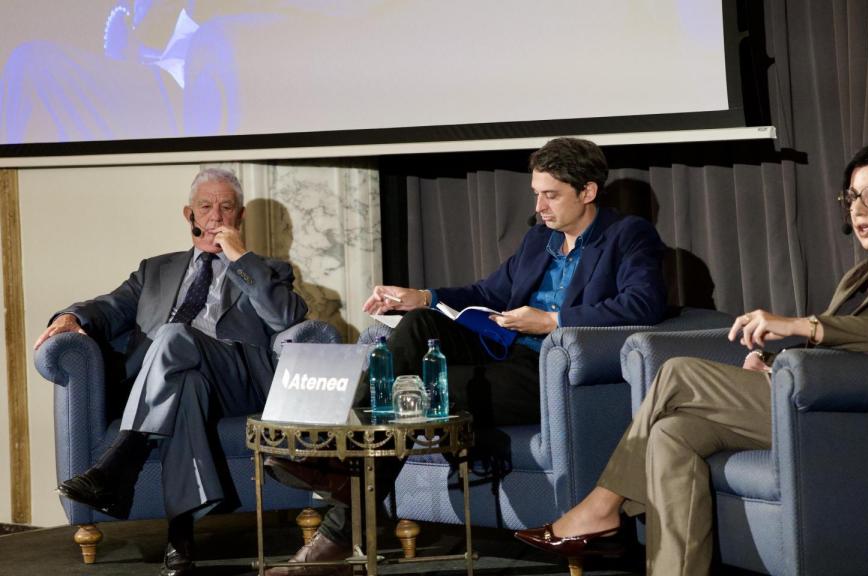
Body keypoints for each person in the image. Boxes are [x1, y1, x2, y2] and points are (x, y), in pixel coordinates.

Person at [514, 142, 868, 575]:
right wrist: (774, 362)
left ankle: (601, 506)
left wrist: (800, 324)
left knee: (677, 373)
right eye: (852, 197)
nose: (858, 209)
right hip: (806, 398)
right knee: (673, 433)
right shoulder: (860, 275)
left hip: (849, 415)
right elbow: (838, 348)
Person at [264, 136, 668, 575]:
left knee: (414, 391)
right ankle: (337, 451)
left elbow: (642, 304)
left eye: (551, 195)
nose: (541, 207)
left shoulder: (627, 235)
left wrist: (552, 320)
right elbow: (486, 293)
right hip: (500, 349)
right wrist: (421, 296)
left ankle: (339, 508)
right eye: (537, 194)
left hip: (549, 370)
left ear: (587, 191)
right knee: (420, 324)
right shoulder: (539, 240)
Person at [36, 168, 308, 576]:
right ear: (190, 214)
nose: (215, 215)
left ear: (240, 215)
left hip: (236, 380)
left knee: (173, 334)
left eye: (226, 207)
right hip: (178, 379)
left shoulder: (267, 269)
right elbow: (109, 309)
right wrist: (71, 316)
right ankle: (180, 539)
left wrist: (239, 258)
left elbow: (287, 316)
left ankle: (119, 462)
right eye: (206, 206)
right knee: (186, 384)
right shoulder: (155, 270)